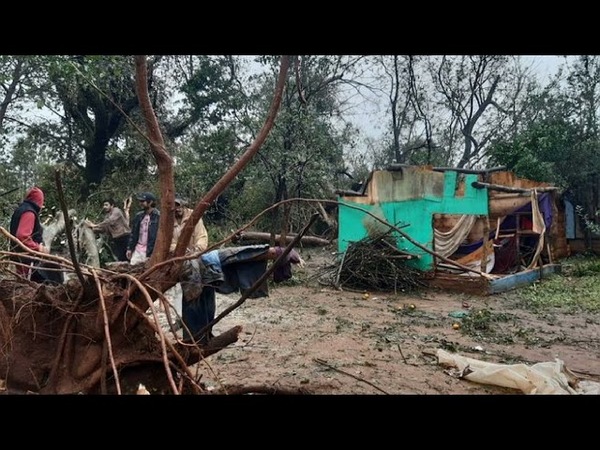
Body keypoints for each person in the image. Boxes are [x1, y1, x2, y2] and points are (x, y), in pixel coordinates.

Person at [164, 194, 209, 331]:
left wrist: (196, 250)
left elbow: (202, 237)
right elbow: (168, 242)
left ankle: (200, 319)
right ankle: (180, 319)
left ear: (184, 205)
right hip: (178, 258)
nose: (177, 209)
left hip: (196, 255)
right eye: (174, 206)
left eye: (179, 206)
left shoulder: (194, 217)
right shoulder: (169, 221)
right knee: (178, 289)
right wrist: (180, 252)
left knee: (202, 285)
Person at [9, 186, 61, 284]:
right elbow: (22, 236)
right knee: (26, 286)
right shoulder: (29, 213)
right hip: (26, 259)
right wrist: (38, 248)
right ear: (39, 201)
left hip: (19, 256)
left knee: (21, 284)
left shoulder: (21, 209)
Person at [85, 197, 131, 262]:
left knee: (128, 256)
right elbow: (104, 228)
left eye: (106, 205)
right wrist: (93, 229)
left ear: (112, 205)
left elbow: (110, 221)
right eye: (104, 205)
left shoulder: (116, 211)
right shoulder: (107, 215)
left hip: (125, 237)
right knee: (120, 257)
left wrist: (95, 225)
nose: (104, 207)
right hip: (116, 239)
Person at [126, 192, 160, 265]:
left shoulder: (158, 216)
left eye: (142, 201)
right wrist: (130, 248)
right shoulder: (139, 216)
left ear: (150, 202)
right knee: (133, 268)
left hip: (150, 250)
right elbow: (133, 233)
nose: (140, 203)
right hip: (138, 249)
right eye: (140, 201)